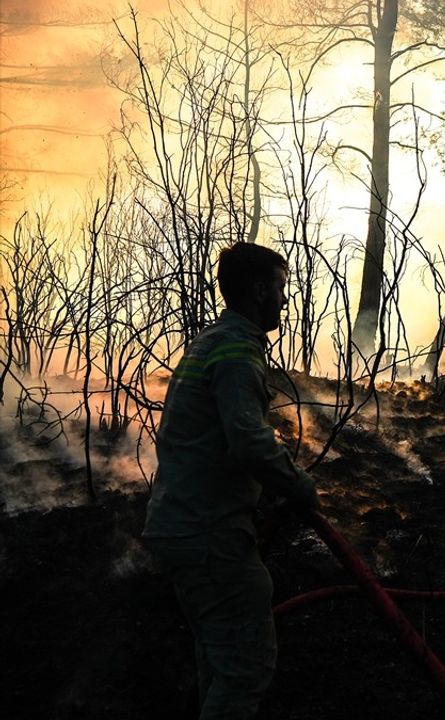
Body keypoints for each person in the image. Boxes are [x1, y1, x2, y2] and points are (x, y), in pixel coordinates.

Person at [143, 242, 317, 720]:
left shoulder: (209, 341)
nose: (285, 300)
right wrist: (299, 485)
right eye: (280, 290)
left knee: (217, 665)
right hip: (209, 535)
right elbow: (247, 441)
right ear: (261, 290)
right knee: (245, 669)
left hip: (181, 526)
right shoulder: (239, 350)